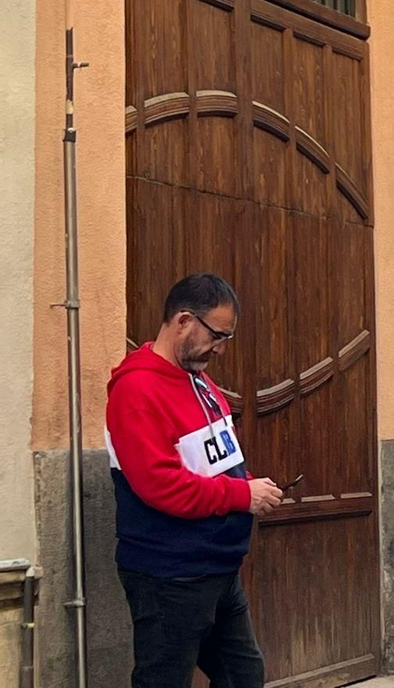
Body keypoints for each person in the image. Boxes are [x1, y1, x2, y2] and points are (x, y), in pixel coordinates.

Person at [107, 273, 282, 688]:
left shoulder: (198, 380)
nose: (220, 348)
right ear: (184, 321)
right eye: (216, 335)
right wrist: (242, 495)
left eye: (226, 338)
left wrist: (250, 485)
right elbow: (161, 485)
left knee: (244, 676)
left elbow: (220, 460)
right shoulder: (136, 390)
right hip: (170, 574)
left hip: (217, 568)